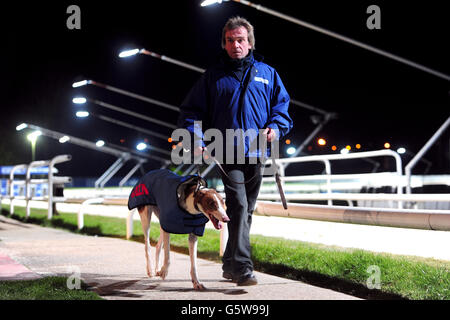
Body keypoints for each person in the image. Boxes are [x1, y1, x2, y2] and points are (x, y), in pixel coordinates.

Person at [177, 16, 293, 286]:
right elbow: (190, 111)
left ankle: (229, 264)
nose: (235, 45)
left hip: (257, 151)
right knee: (239, 204)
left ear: (250, 43)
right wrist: (196, 138)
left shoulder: (268, 74)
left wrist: (276, 128)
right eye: (230, 40)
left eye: (240, 40)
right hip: (226, 151)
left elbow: (282, 109)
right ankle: (242, 267)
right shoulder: (213, 76)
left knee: (246, 209)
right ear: (224, 44)